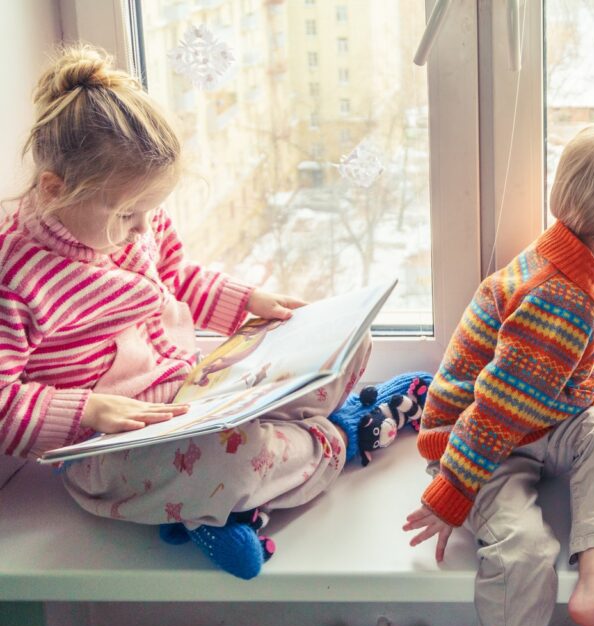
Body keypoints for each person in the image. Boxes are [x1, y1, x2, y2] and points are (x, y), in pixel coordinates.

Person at [0, 45, 381, 579]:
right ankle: (335, 439)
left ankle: (241, 486)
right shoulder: (16, 277)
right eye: (129, 213)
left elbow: (178, 277)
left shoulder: (134, 222)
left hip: (191, 391)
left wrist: (251, 304)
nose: (142, 229)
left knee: (345, 343)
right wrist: (92, 411)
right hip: (112, 449)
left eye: (149, 212)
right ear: (54, 190)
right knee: (237, 456)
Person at [402, 120, 594, 626]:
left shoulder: (574, 263)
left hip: (535, 423)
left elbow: (592, 370)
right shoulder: (560, 298)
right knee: (521, 552)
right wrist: (453, 489)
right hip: (477, 445)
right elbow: (497, 409)